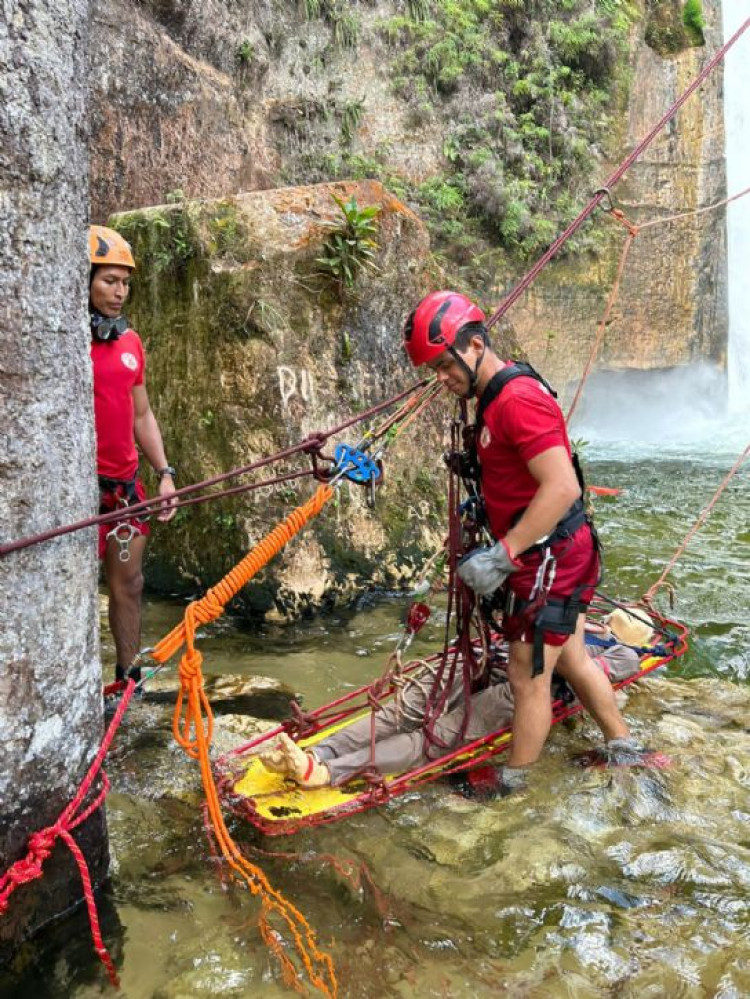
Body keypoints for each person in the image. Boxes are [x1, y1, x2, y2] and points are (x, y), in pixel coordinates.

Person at [396, 290, 647, 793]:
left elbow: (561, 486)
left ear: (475, 344)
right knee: (572, 657)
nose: (441, 380)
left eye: (445, 365)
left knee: (526, 678)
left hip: (549, 559)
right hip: (556, 553)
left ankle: (514, 782)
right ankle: (626, 747)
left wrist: (503, 553)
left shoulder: (517, 400)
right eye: (434, 370)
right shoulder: (492, 398)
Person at [259, 620, 650, 789]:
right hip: (478, 660)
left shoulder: (619, 653)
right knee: (399, 714)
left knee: (438, 735)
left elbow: (595, 669)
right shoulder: (569, 612)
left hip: (517, 687)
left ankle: (327, 769)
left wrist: (574, 641)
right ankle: (318, 752)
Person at [89, 225, 177, 683]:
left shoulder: (131, 343)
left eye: (125, 283)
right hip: (81, 492)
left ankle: (128, 679)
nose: (119, 292)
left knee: (131, 585)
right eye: (108, 280)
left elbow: (142, 415)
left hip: (124, 489)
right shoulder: (65, 344)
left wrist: (164, 473)